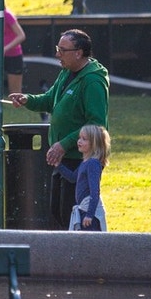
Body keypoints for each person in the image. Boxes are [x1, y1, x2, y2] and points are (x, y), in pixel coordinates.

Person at [9, 28, 110, 231]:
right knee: (57, 212)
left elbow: (96, 124)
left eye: (62, 50)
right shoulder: (66, 72)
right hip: (62, 158)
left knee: (72, 216)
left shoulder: (93, 81)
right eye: (58, 49)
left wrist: (64, 144)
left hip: (79, 159)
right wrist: (28, 99)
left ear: (78, 53)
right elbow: (49, 100)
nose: (57, 54)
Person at [59, 124, 110, 231]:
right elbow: (73, 178)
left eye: (84, 139)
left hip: (90, 213)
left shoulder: (93, 163)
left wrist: (90, 215)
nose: (79, 141)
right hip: (83, 210)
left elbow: (94, 192)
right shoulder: (85, 162)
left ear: (93, 144)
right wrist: (58, 165)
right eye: (79, 138)